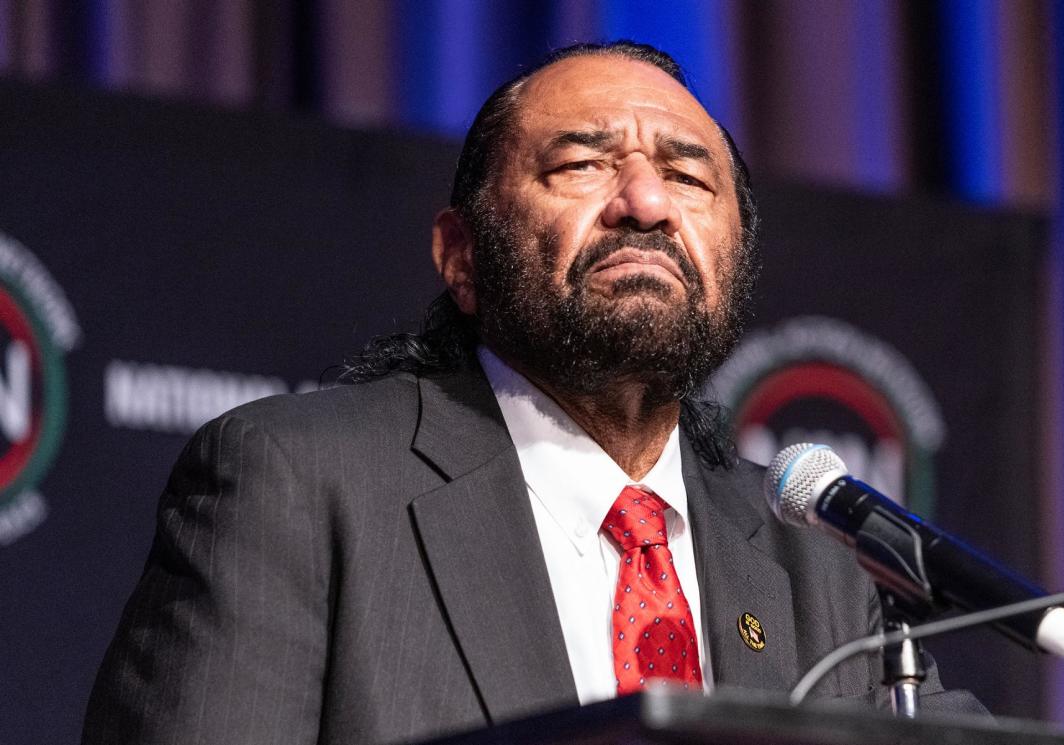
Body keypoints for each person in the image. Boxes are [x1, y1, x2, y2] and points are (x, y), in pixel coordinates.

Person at [83, 41, 984, 745]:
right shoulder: (298, 483)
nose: (645, 201)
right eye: (582, 165)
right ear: (462, 257)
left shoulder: (812, 555)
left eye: (687, 175)